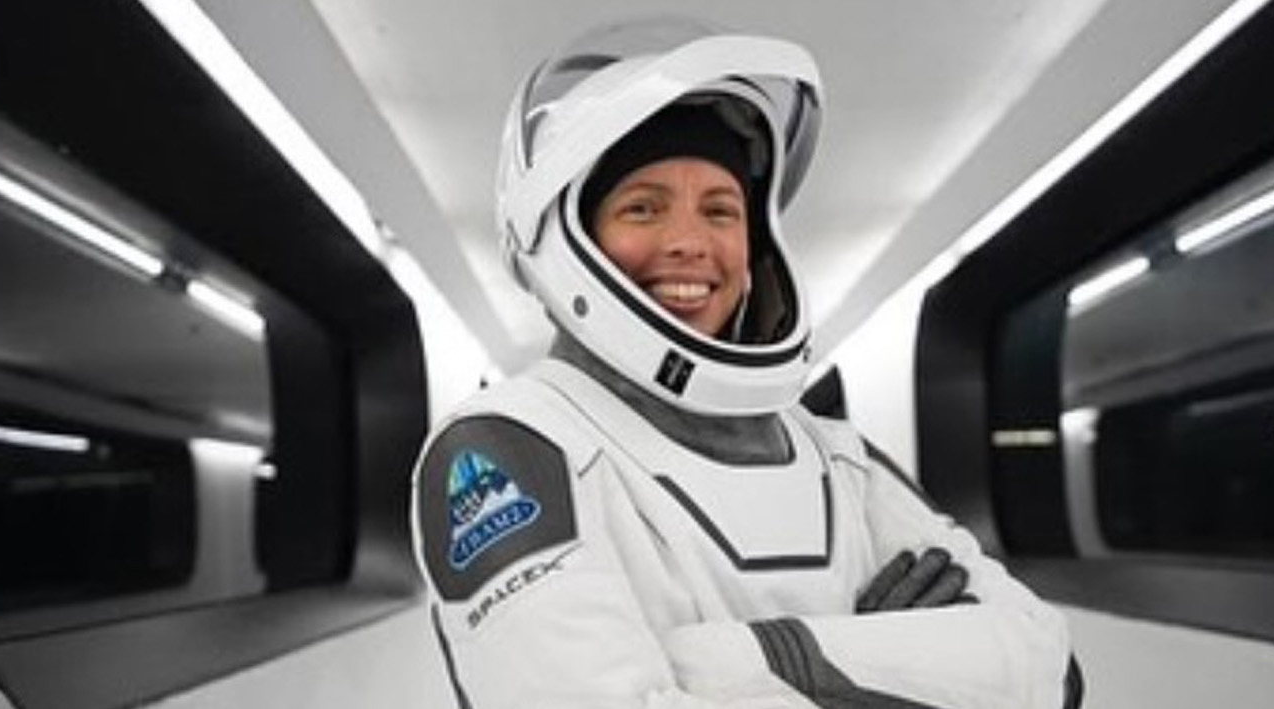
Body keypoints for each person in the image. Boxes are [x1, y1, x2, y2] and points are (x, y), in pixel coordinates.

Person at [412, 17, 1082, 708]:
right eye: (642, 208)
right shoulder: (505, 449)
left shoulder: (836, 457)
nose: (690, 242)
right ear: (567, 236)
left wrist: (731, 662)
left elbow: (1052, 674)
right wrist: (916, 669)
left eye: (720, 211)